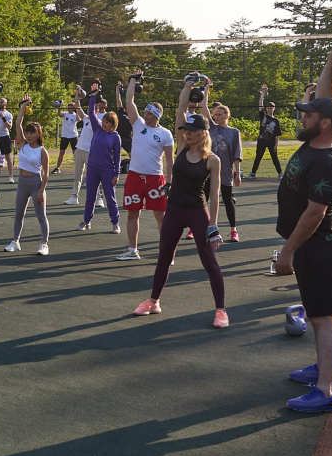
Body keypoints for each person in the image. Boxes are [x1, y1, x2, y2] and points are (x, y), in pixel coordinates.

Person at [272, 40, 332, 414]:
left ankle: (326, 390)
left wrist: (289, 249)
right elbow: (325, 98)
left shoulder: (327, 162)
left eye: (308, 116)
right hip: (309, 246)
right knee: (316, 310)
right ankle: (322, 368)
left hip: (317, 245)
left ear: (325, 124)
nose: (302, 118)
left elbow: (314, 213)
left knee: (322, 318)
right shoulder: (317, 138)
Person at [131, 94, 227, 328]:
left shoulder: (212, 160)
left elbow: (214, 195)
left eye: (192, 131)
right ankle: (154, 301)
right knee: (163, 256)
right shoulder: (182, 147)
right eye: (185, 131)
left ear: (202, 133)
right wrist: (186, 87)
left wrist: (213, 225)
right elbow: (180, 111)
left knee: (209, 261)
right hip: (173, 209)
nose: (187, 134)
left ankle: (221, 310)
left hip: (196, 211)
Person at [116, 75, 175, 260]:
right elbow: (129, 101)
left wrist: (170, 182)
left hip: (155, 178)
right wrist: (133, 81)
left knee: (160, 216)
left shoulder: (165, 134)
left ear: (156, 116)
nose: (146, 115)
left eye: (149, 113)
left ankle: (168, 252)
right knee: (132, 214)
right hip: (134, 177)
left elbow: (169, 160)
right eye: (146, 112)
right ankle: (133, 250)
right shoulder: (138, 124)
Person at [8, 94, 50, 254]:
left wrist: (41, 190)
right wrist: (23, 107)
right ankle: (15, 241)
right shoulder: (23, 144)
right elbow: (17, 123)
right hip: (22, 183)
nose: (30, 135)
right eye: (28, 132)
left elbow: (46, 173)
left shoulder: (42, 151)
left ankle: (44, 244)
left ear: (38, 134)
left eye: (33, 133)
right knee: (19, 214)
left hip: (36, 183)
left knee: (41, 216)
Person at [78, 92, 121, 233]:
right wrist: (92, 96)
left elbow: (117, 158)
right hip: (92, 169)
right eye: (103, 121)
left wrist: (116, 174)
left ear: (113, 124)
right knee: (90, 196)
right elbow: (91, 112)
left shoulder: (115, 137)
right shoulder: (97, 129)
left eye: (107, 122)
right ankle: (86, 221)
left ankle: (115, 223)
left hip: (107, 171)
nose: (104, 124)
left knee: (110, 198)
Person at [205, 102, 244, 242]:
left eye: (219, 114)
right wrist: (205, 90)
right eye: (215, 114)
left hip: (225, 171)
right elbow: (204, 107)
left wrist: (237, 173)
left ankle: (234, 231)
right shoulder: (211, 128)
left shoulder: (234, 132)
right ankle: (196, 227)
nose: (216, 117)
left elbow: (237, 154)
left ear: (227, 115)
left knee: (228, 200)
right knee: (203, 198)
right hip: (208, 171)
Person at [65, 84, 106, 208]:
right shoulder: (87, 118)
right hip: (80, 150)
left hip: (91, 152)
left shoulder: (99, 121)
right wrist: (78, 94)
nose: (91, 108)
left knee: (93, 176)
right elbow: (78, 107)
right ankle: (74, 197)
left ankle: (99, 199)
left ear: (97, 109)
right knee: (77, 175)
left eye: (93, 107)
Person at [250, 84, 283, 177]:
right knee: (258, 157)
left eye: (271, 107)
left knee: (274, 158)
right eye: (268, 108)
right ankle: (253, 173)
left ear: (274, 108)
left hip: (272, 142)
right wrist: (262, 95)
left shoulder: (276, 121)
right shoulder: (263, 116)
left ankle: (280, 173)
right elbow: (260, 105)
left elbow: (277, 134)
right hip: (261, 141)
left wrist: (276, 144)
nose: (269, 109)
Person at [55, 102, 79, 173]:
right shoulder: (65, 114)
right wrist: (59, 108)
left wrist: (78, 109)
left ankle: (78, 168)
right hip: (64, 136)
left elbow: (79, 119)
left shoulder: (75, 115)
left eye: (71, 107)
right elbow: (59, 114)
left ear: (73, 108)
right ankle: (57, 168)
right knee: (61, 152)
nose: (69, 108)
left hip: (73, 136)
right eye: (68, 107)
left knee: (75, 153)